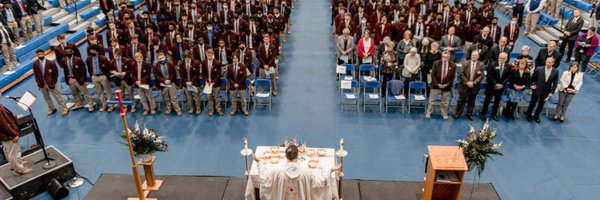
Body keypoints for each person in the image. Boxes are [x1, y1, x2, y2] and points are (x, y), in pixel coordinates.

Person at [250, 145, 342, 200]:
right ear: (298, 155)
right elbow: (319, 182)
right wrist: (329, 170)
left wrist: (260, 162)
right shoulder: (307, 172)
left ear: (285, 156)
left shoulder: (277, 171)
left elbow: (265, 179)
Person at [0, 103, 32, 176]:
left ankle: (14, 165)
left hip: (4, 134)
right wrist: (13, 135)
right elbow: (4, 125)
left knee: (8, 151)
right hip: (7, 135)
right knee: (14, 152)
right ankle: (19, 170)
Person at [59, 46, 94, 112]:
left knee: (85, 93)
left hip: (78, 79)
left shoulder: (78, 59)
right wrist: (67, 80)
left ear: (72, 51)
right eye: (67, 52)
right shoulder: (63, 60)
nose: (68, 53)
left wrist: (82, 79)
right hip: (70, 79)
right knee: (75, 93)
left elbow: (83, 70)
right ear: (65, 52)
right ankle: (79, 103)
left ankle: (91, 105)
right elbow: (65, 71)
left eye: (69, 52)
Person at [33, 49, 68, 116]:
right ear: (37, 55)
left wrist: (54, 82)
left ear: (44, 54)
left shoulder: (51, 63)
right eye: (39, 54)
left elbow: (56, 74)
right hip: (42, 84)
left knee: (58, 97)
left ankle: (64, 109)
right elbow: (36, 74)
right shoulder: (35, 64)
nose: (40, 55)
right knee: (46, 98)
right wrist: (38, 83)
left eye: (41, 54)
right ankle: (52, 108)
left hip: (51, 83)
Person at [525, 57, 559, 123]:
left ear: (553, 63)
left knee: (541, 105)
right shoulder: (539, 69)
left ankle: (536, 116)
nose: (548, 63)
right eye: (547, 62)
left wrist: (552, 92)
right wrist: (532, 85)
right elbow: (532, 79)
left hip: (546, 91)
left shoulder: (555, 71)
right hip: (537, 90)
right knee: (532, 103)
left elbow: (555, 83)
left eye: (549, 62)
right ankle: (528, 115)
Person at [454, 51, 484, 121]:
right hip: (464, 85)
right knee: (461, 101)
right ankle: (458, 113)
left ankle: (469, 113)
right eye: (472, 55)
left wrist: (474, 83)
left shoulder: (481, 64)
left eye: (475, 55)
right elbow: (461, 74)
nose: (473, 56)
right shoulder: (465, 63)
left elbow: (482, 75)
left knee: (472, 101)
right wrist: (467, 82)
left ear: (478, 57)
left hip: (474, 86)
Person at [481, 52, 510, 121]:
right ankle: (483, 114)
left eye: (503, 58)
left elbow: (509, 77)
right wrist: (495, 84)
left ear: (506, 59)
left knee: (497, 102)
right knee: (487, 101)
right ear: (498, 57)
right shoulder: (492, 65)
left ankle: (493, 114)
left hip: (500, 87)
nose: (501, 59)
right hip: (491, 86)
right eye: (500, 58)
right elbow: (489, 75)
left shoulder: (508, 66)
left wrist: (502, 84)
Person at [426, 51, 455, 120]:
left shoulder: (453, 65)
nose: (444, 58)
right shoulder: (436, 63)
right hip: (436, 85)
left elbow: (452, 77)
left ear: (449, 57)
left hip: (446, 87)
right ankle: (429, 112)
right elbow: (433, 75)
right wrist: (437, 84)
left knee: (445, 102)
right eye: (443, 57)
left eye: (446, 57)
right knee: (432, 101)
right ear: (441, 56)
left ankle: (444, 113)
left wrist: (446, 84)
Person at [153, 51, 182, 116]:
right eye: (160, 58)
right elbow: (156, 76)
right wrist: (164, 81)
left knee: (173, 97)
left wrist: (169, 80)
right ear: (158, 59)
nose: (161, 59)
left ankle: (177, 109)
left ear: (165, 57)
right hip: (163, 84)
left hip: (171, 82)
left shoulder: (170, 64)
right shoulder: (155, 66)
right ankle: (168, 108)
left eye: (162, 57)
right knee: (166, 98)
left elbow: (174, 73)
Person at [86, 44, 113, 112]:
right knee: (99, 92)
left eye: (92, 50)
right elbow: (89, 68)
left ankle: (111, 105)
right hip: (94, 77)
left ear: (96, 51)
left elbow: (109, 68)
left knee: (108, 92)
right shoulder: (88, 59)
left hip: (102, 76)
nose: (91, 52)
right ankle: (104, 105)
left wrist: (106, 76)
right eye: (90, 50)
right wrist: (92, 75)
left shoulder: (103, 58)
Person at [202, 49, 224, 116]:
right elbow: (203, 73)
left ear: (213, 55)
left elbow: (219, 74)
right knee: (209, 97)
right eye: (208, 55)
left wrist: (213, 82)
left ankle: (218, 109)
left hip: (215, 83)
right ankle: (211, 109)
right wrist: (206, 80)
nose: (209, 56)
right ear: (206, 55)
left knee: (217, 97)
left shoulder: (217, 63)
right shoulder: (204, 62)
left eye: (211, 55)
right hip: (208, 84)